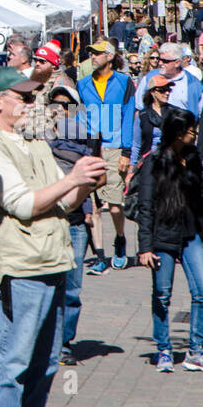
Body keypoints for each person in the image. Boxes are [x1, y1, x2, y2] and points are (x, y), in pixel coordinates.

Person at [0, 68, 105, 407]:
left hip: (53, 259)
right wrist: (73, 181)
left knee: (45, 360)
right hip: (20, 265)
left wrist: (86, 183)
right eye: (23, 98)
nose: (32, 105)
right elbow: (23, 205)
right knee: (13, 357)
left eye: (33, 98)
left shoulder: (34, 145)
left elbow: (61, 202)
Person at [137, 109, 203, 372]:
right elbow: (146, 206)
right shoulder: (154, 161)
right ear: (178, 133)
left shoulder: (195, 158)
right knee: (163, 294)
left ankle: (195, 350)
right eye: (192, 130)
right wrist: (145, 247)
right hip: (163, 234)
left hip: (192, 233)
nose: (196, 134)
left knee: (201, 292)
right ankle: (164, 349)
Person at [47, 81, 97, 367]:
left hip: (75, 220)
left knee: (72, 287)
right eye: (56, 104)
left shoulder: (82, 138)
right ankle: (46, 341)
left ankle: (64, 343)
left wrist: (89, 209)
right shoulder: (38, 137)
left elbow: (89, 178)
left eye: (67, 105)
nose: (61, 110)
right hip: (46, 218)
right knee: (47, 283)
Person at [77, 40, 135, 273]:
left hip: (114, 146)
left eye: (98, 54)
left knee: (113, 204)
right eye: (91, 53)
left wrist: (127, 151)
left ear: (110, 57)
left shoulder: (123, 82)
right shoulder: (83, 84)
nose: (93, 57)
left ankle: (120, 239)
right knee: (92, 205)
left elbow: (129, 115)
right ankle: (100, 254)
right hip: (90, 148)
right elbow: (78, 115)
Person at [131, 74, 174, 166]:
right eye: (163, 90)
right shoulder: (143, 115)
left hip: (170, 162)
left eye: (168, 89)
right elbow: (136, 144)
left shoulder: (174, 113)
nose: (167, 93)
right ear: (153, 92)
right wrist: (132, 167)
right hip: (148, 163)